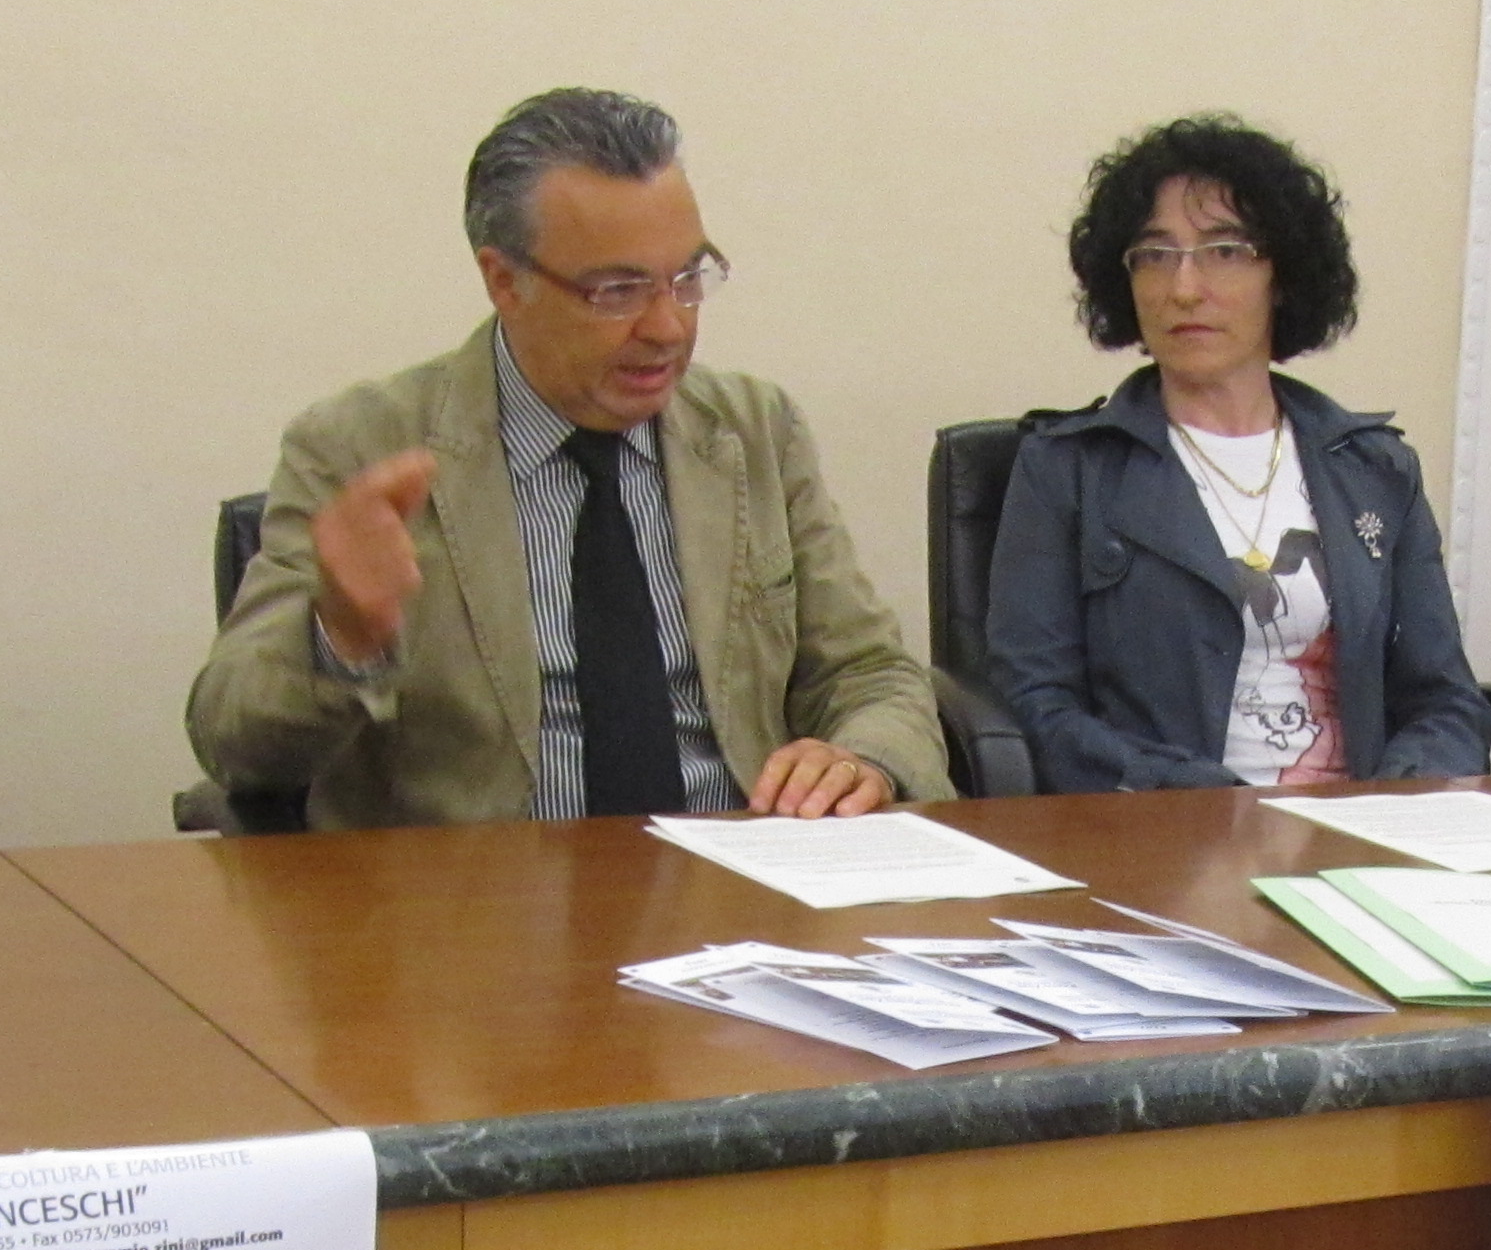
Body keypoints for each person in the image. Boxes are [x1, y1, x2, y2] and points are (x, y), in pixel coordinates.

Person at [188, 87, 946, 827]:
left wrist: (865, 760)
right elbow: (234, 746)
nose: (668, 327)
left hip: (740, 872)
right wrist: (341, 638)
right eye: (618, 290)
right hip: (479, 889)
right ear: (504, 281)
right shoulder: (360, 445)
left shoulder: (754, 431)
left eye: (688, 279)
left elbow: (870, 674)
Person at [986, 117, 1485, 793]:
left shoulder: (1372, 469)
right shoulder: (1068, 469)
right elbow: (1035, 706)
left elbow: (1445, 701)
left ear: (1284, 275)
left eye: (1224, 251)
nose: (1184, 287)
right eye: (1155, 255)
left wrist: (1390, 804)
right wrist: (1201, 800)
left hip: (1357, 824)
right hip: (1165, 827)